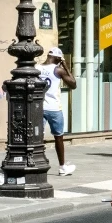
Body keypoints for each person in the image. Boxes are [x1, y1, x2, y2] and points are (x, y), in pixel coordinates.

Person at [39, 47, 78, 175]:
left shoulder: (37, 68)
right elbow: (73, 84)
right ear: (57, 58)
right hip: (54, 108)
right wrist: (66, 67)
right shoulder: (58, 69)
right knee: (58, 137)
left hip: (39, 107)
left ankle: (36, 162)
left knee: (37, 136)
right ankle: (62, 167)